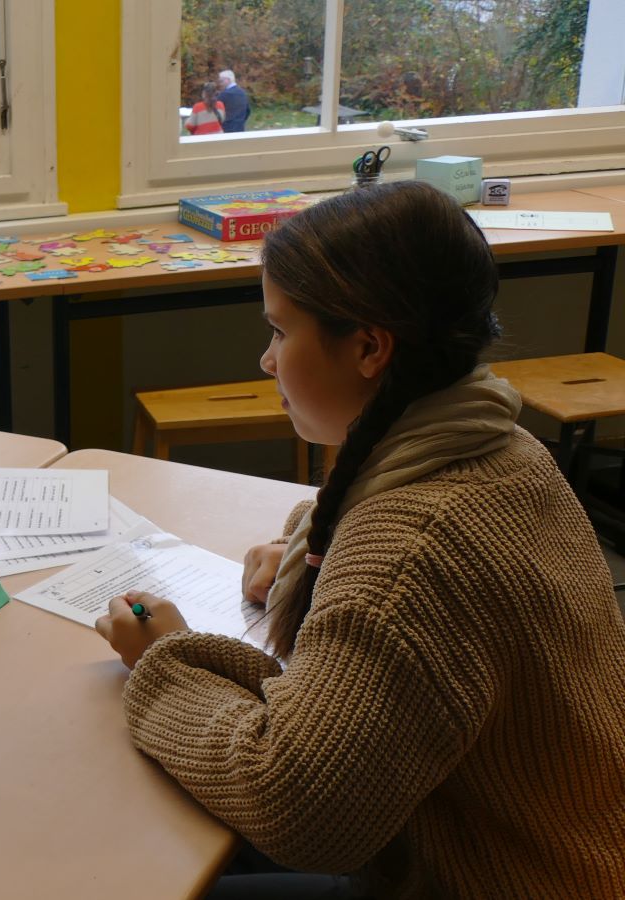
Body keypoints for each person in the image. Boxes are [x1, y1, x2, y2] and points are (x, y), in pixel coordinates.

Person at [92, 181, 625, 898]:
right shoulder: (508, 450)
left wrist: (164, 660)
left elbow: (300, 812)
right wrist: (314, 553)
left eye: (280, 332)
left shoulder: (408, 557)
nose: (266, 360)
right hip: (584, 848)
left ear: (370, 347)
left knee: (144, 873)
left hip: (496, 880)